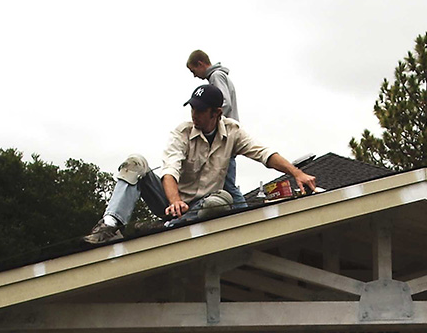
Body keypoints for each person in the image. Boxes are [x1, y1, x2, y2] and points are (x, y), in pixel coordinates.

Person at [85, 84, 316, 245]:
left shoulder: (233, 132)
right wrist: (174, 201)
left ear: (216, 113)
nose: (194, 114)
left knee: (222, 201)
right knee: (135, 162)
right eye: (192, 108)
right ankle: (109, 225)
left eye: (200, 110)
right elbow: (170, 170)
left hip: (201, 208)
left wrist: (297, 173)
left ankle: (165, 229)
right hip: (170, 201)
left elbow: (264, 154)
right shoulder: (182, 132)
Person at [186, 50, 245, 208]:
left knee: (227, 184)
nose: (194, 76)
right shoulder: (219, 76)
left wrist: (212, 122)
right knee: (224, 184)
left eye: (193, 71)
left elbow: (224, 103)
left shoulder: (216, 76)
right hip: (226, 135)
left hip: (225, 137)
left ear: (200, 64)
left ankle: (244, 213)